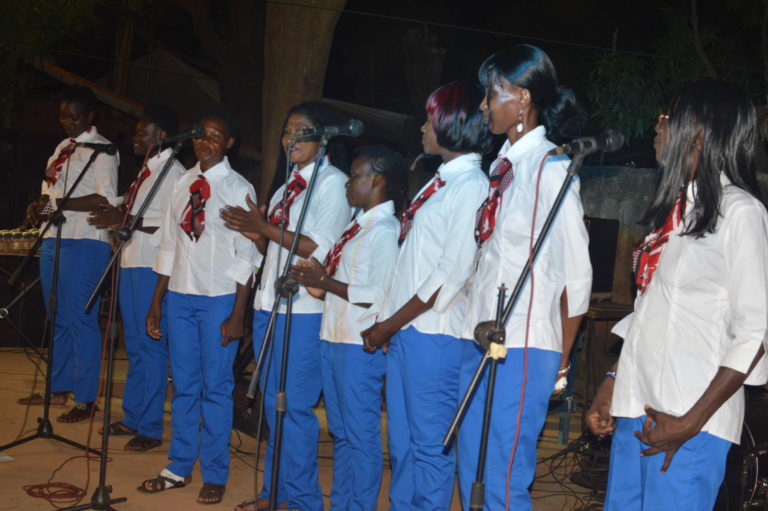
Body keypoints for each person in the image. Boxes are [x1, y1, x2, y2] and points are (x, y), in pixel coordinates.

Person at [587, 80, 768, 511]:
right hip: (638, 410)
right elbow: (651, 313)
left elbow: (756, 332)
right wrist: (614, 383)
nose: (657, 126)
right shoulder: (674, 212)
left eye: (669, 118)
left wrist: (689, 422)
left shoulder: (741, 213)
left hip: (688, 422)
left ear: (700, 134)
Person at [457, 44, 592, 510]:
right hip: (481, 340)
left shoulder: (551, 170)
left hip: (526, 346)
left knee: (503, 476)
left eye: (492, 93)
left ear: (524, 99)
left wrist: (560, 360)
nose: (483, 105)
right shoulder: (502, 169)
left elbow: (577, 276)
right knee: (471, 463)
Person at [361, 82, 490, 511]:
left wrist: (388, 324)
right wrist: (389, 322)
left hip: (434, 335)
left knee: (429, 448)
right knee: (402, 445)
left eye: (430, 118)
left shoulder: (471, 184)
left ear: (452, 124)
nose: (422, 127)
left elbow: (448, 275)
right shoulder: (438, 183)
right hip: (407, 333)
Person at [222, 101, 350, 511]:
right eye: (285, 131)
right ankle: (274, 493)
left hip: (303, 313)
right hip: (269, 305)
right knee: (274, 407)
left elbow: (317, 247)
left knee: (293, 408)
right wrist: (256, 232)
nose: (289, 139)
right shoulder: (284, 186)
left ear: (323, 137)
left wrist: (265, 227)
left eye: (300, 131)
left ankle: (303, 501)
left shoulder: (333, 183)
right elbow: (274, 245)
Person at [138, 110, 257, 505]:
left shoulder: (238, 187)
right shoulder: (181, 184)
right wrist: (157, 302)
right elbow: (169, 246)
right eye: (201, 135)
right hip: (181, 297)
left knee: (217, 388)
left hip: (219, 299)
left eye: (215, 136)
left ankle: (216, 472)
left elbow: (247, 256)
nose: (205, 141)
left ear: (229, 144)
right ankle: (179, 465)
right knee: (184, 386)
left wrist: (238, 314)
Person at [289, 146, 408, 511]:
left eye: (355, 175)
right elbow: (341, 285)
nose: (347, 182)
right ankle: (342, 502)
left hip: (359, 346)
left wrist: (325, 282)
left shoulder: (385, 229)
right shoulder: (357, 226)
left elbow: (378, 293)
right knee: (340, 433)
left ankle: (359, 505)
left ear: (377, 181)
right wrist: (316, 282)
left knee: (359, 436)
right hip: (333, 338)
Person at [18, 86, 119, 423]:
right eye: (63, 115)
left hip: (86, 240)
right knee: (57, 313)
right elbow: (50, 193)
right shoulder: (62, 148)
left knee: (81, 317)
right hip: (54, 239)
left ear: (91, 116)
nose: (67, 121)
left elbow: (103, 199)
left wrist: (59, 204)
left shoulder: (104, 150)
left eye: (75, 115)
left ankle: (87, 399)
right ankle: (59, 387)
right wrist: (39, 207)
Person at [87, 104, 185, 451]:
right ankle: (133, 415)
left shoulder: (174, 173)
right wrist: (119, 218)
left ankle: (151, 427)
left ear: (162, 136)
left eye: (144, 132)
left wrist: (124, 221)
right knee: (136, 348)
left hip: (152, 267)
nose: (136, 137)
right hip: (131, 262)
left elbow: (173, 225)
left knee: (151, 347)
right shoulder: (147, 170)